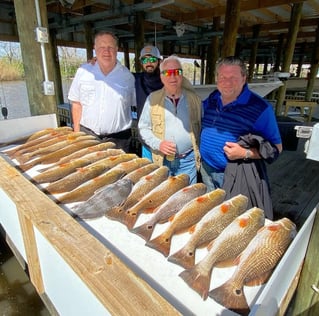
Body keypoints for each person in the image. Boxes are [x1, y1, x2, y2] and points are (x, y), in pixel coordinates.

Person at [200, 56, 282, 217]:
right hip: (206, 169)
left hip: (233, 176)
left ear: (244, 78)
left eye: (233, 78)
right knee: (212, 214)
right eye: (223, 77)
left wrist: (245, 153)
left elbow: (277, 149)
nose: (227, 82)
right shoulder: (212, 98)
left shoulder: (260, 108)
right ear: (217, 78)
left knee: (231, 217)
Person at [68, 31, 136, 152]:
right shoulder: (83, 71)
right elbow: (76, 102)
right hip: (87, 136)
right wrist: (77, 133)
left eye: (110, 47)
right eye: (101, 47)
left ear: (116, 49)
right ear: (95, 48)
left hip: (119, 139)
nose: (106, 51)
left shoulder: (128, 76)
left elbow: (139, 102)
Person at [138, 55, 202, 184]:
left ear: (182, 75)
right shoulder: (152, 99)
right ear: (161, 76)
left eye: (177, 72)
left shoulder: (194, 99)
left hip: (187, 162)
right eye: (167, 72)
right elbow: (143, 127)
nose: (172, 77)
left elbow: (203, 124)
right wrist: (158, 144)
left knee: (187, 199)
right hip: (162, 161)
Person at [132, 45, 163, 158]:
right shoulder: (135, 79)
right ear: (141, 62)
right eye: (145, 59)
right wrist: (97, 62)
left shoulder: (167, 80)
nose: (149, 63)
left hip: (164, 139)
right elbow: (115, 69)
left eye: (153, 59)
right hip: (146, 140)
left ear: (159, 61)